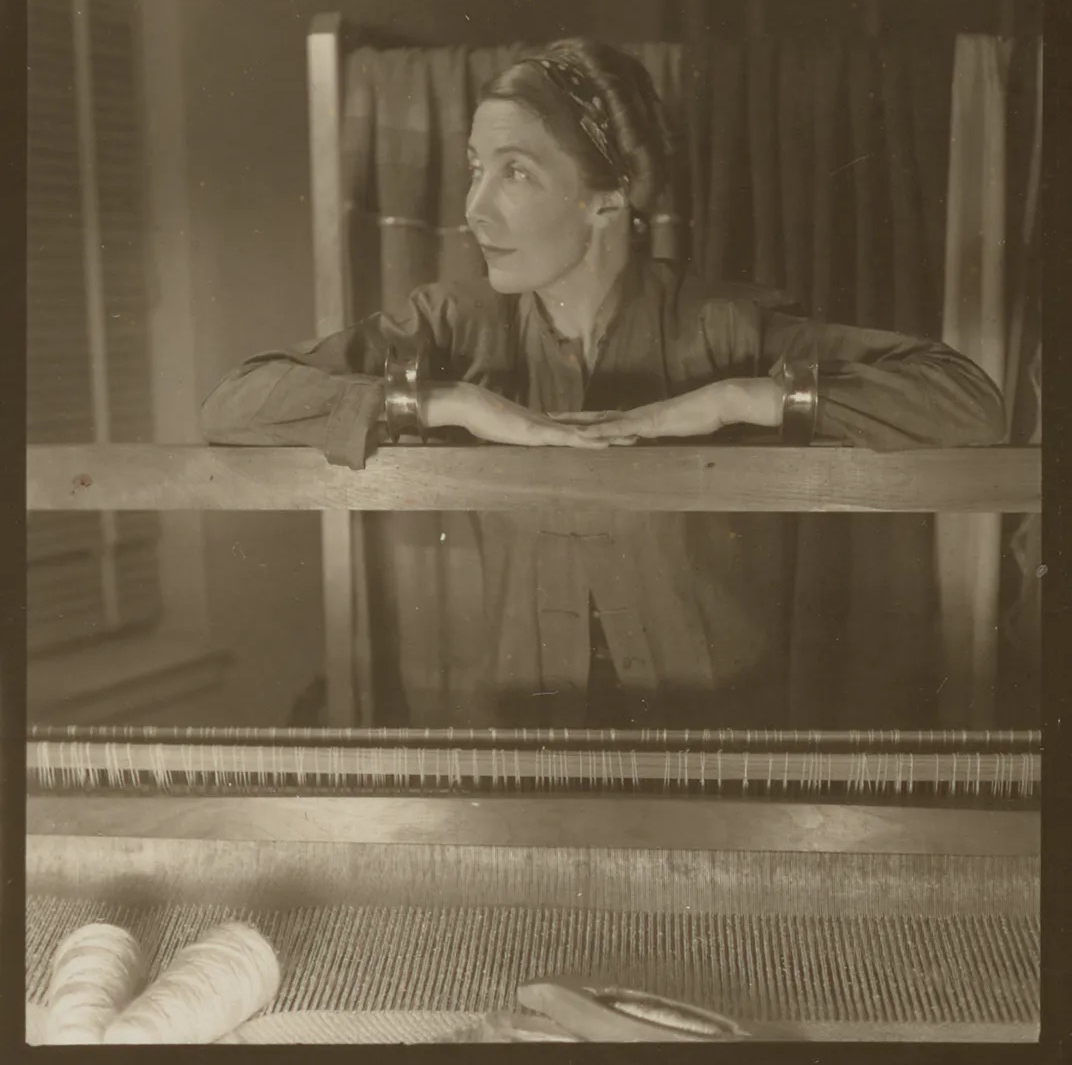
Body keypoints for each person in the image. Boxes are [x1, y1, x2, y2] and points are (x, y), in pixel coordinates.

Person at [201, 38, 1006, 730]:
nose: (475, 209)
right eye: (476, 169)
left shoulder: (720, 326)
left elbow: (969, 401)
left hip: (721, 741)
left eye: (515, 173)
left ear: (609, 199)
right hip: (523, 741)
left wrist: (734, 398)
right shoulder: (452, 325)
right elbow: (234, 401)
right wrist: (453, 402)